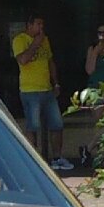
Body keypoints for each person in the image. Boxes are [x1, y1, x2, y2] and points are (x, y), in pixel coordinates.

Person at [13, 16, 68, 168]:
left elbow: (50, 62)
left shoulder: (45, 40)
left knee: (57, 124)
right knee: (33, 125)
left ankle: (57, 158)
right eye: (38, 24)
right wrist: (35, 44)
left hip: (47, 89)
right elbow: (23, 60)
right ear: (29, 25)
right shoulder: (20, 40)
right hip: (30, 90)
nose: (41, 27)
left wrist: (55, 82)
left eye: (42, 24)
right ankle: (34, 160)